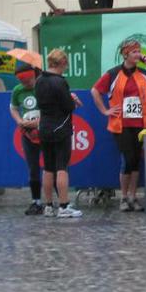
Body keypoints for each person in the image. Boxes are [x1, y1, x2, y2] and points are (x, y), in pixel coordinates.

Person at [91, 39, 146, 211]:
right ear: (125, 55)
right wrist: (105, 111)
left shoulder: (143, 73)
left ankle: (133, 196)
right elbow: (95, 91)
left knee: (136, 160)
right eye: (134, 52)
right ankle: (124, 197)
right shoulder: (113, 74)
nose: (138, 55)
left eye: (139, 51)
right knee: (128, 158)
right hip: (121, 124)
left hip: (141, 123)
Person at [34, 48, 83, 218]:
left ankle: (48, 206)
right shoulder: (60, 81)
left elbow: (42, 102)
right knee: (62, 167)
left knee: (48, 168)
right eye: (66, 64)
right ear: (61, 63)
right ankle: (63, 206)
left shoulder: (39, 80)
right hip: (60, 127)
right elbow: (68, 107)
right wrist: (73, 100)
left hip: (44, 127)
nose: (66, 68)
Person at [9, 62, 43, 215]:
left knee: (52, 167)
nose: (26, 84)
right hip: (27, 134)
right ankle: (36, 201)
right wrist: (19, 121)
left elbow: (51, 109)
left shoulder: (42, 87)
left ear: (34, 76)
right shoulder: (18, 90)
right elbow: (13, 108)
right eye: (22, 82)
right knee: (33, 168)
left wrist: (38, 122)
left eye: (28, 80)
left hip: (46, 132)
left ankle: (59, 202)